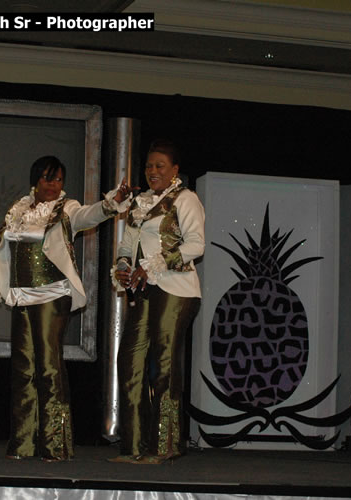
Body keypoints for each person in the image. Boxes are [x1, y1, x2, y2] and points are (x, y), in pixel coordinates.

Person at [0, 155, 133, 461]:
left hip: (53, 294)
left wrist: (111, 203)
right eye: (48, 178)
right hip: (22, 295)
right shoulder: (17, 211)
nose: (53, 185)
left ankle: (55, 444)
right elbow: (4, 255)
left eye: (59, 179)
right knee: (23, 369)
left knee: (48, 367)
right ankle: (22, 443)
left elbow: (89, 216)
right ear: (35, 180)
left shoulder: (66, 208)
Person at [110, 139, 205, 463]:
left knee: (163, 367)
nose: (152, 171)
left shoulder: (186, 199)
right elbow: (127, 247)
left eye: (159, 166)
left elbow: (196, 245)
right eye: (149, 166)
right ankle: (135, 445)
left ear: (175, 170)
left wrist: (152, 264)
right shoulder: (141, 203)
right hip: (147, 288)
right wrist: (123, 268)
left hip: (177, 289)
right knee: (130, 362)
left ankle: (165, 445)